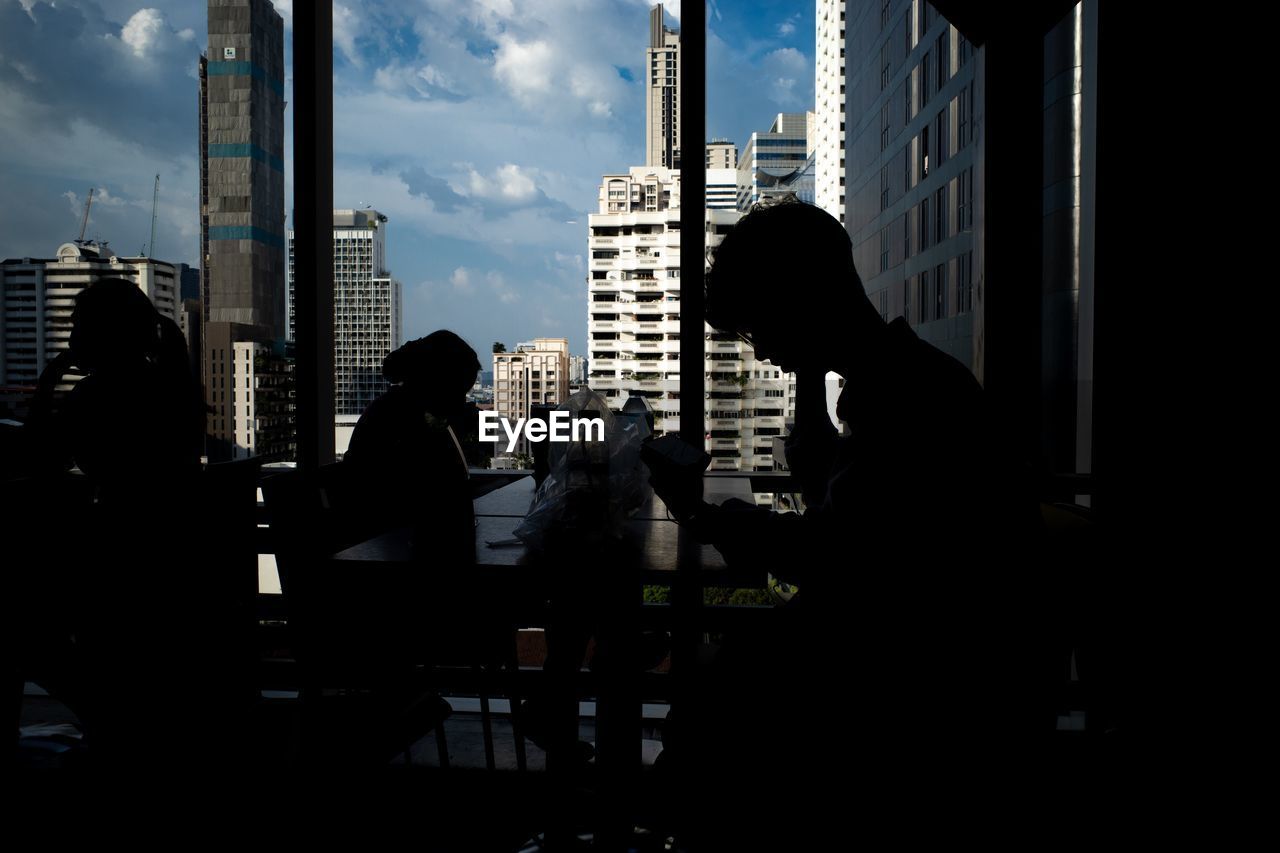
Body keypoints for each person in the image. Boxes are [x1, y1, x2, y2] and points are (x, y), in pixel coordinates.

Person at [648, 200, 1051, 843]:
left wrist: (701, 512)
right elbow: (863, 529)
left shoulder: (903, 399)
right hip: (948, 673)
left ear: (799, 300)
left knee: (707, 712)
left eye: (760, 327)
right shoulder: (910, 383)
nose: (768, 353)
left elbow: (834, 555)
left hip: (916, 694)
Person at [343, 330, 481, 566]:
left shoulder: (398, 411)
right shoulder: (406, 423)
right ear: (436, 382)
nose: (461, 402)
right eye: (457, 392)